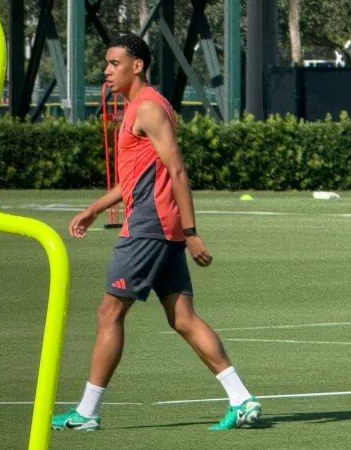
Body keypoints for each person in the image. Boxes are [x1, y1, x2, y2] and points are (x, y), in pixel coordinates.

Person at [51, 34, 261, 431]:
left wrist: (192, 232)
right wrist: (94, 209)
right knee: (183, 318)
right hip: (160, 227)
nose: (107, 71)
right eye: (107, 63)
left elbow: (177, 169)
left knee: (109, 312)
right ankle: (241, 399)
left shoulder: (148, 108)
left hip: (149, 227)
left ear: (137, 66)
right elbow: (133, 180)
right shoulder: (139, 108)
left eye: (114, 63)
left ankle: (87, 412)